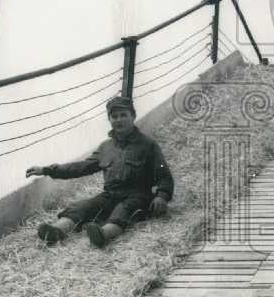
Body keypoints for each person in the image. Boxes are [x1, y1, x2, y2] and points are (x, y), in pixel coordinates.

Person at [25, 96, 174, 248]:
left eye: (123, 115)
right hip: (109, 195)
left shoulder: (147, 145)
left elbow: (164, 175)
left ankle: (103, 235)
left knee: (123, 211)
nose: (118, 120)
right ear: (109, 119)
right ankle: (57, 231)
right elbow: (81, 167)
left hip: (137, 196)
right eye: (114, 116)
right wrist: (47, 170)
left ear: (133, 116)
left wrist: (162, 196)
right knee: (83, 207)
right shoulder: (105, 147)